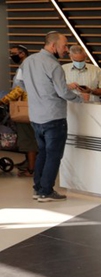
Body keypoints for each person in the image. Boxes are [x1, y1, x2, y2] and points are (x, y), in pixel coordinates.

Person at [17, 31, 89, 202]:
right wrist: (80, 99)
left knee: (43, 152)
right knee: (54, 155)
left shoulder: (28, 61)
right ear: (53, 45)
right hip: (53, 117)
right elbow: (62, 92)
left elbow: (18, 83)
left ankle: (38, 189)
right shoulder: (54, 65)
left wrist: (37, 94)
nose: (66, 49)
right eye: (64, 46)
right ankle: (46, 191)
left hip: (36, 117)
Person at [3, 44, 37, 177]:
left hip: (25, 107)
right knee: (30, 137)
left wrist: (3, 100)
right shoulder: (32, 65)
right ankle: (29, 163)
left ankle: (31, 169)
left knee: (28, 138)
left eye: (13, 53)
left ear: (22, 53)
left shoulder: (25, 66)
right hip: (34, 106)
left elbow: (19, 89)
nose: (12, 56)